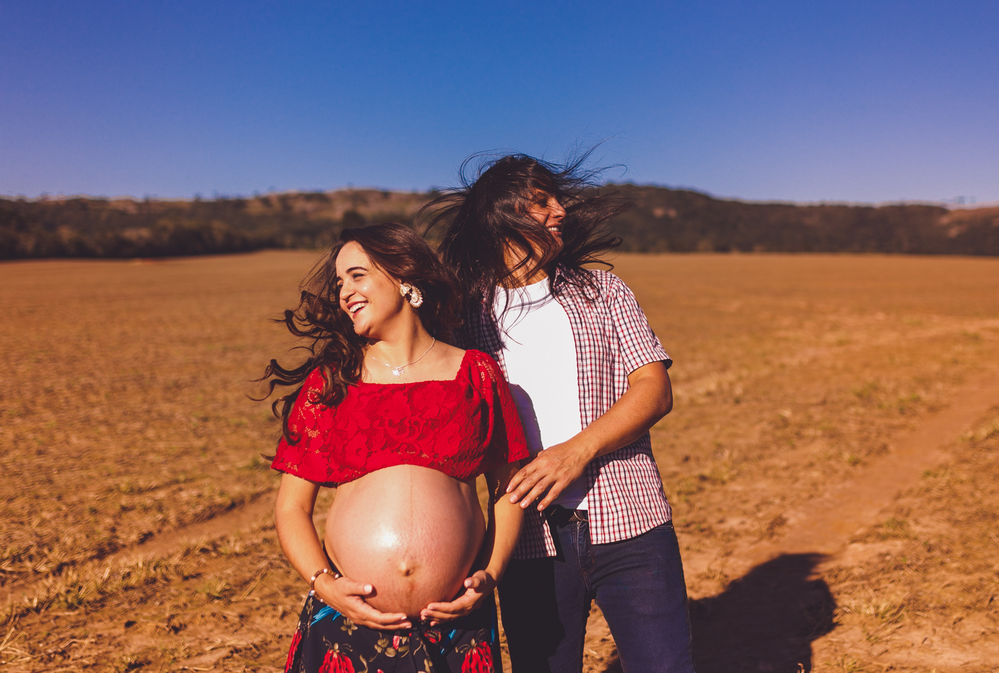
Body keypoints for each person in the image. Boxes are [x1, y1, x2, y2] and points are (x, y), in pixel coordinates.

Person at [431, 156, 696, 673]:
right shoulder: (465, 318)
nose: (561, 209)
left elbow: (654, 388)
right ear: (500, 216)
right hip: (526, 539)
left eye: (557, 198)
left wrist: (576, 453)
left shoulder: (602, 292)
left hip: (632, 523)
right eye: (541, 200)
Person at [263, 224, 530, 673]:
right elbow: (291, 508)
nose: (345, 291)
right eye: (340, 282)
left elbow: (508, 490)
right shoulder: (332, 382)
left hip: (455, 626)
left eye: (357, 275)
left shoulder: (476, 373)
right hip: (349, 625)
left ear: (404, 277)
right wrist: (325, 586)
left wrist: (492, 575)